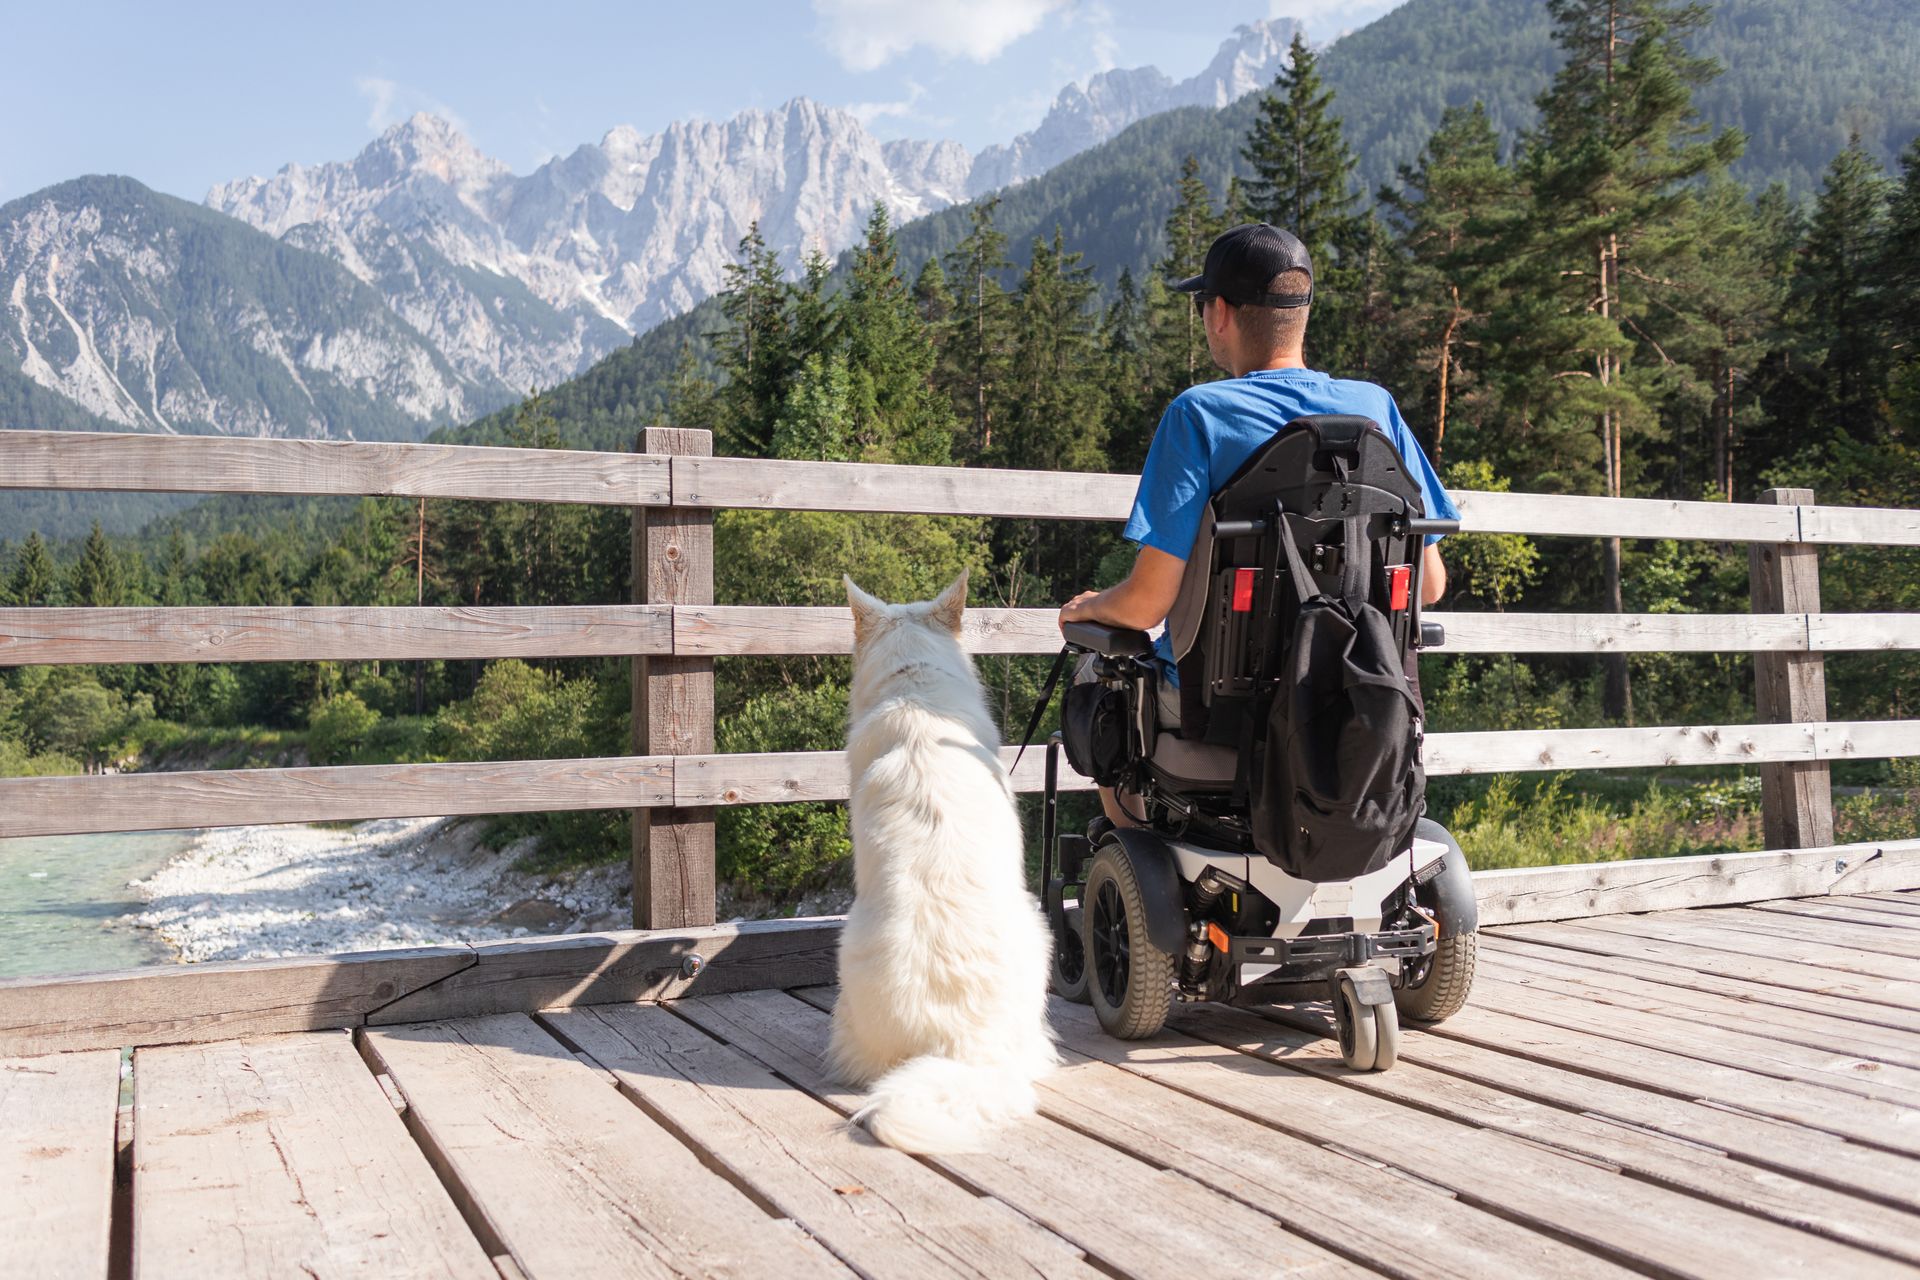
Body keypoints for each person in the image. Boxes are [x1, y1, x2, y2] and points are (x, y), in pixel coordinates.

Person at [1058, 222, 1458, 829]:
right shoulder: (1375, 410)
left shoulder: (1198, 415)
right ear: (1303, 313)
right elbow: (1428, 586)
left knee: (1102, 675)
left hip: (1219, 709)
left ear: (1219, 313)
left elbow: (1144, 607)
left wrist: (1089, 607)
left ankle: (1132, 847)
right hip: (1359, 699)